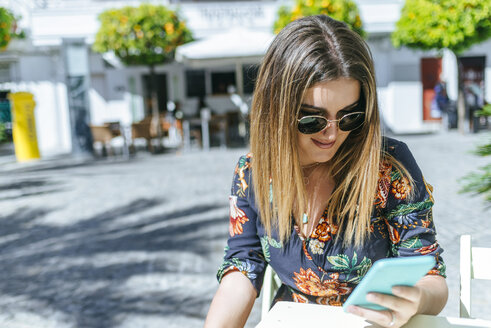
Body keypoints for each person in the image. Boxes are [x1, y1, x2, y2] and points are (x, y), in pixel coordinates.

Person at [205, 15, 447, 328]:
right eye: (312, 120)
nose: (332, 135)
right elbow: (243, 268)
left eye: (349, 117)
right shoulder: (251, 173)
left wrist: (417, 298)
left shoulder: (388, 165)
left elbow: (432, 279)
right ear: (277, 110)